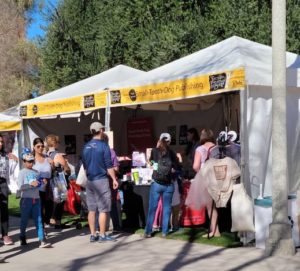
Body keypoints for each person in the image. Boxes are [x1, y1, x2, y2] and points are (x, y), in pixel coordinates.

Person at [82, 122, 118, 242]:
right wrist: (113, 179)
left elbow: (85, 166)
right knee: (104, 209)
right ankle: (102, 235)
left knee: (91, 209)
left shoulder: (85, 147)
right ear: (101, 130)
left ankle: (93, 235)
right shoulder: (104, 146)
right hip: (101, 180)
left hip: (90, 181)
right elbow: (109, 165)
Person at [144, 132, 179, 238]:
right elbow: (177, 167)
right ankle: (165, 232)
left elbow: (151, 163)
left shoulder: (154, 151)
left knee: (152, 208)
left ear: (159, 140)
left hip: (156, 183)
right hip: (168, 184)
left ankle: (148, 232)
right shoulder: (172, 153)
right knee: (167, 208)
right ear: (169, 141)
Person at [18, 148, 51, 248]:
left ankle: (42, 239)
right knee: (24, 220)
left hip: (36, 199)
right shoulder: (22, 172)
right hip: (26, 200)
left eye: (32, 161)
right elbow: (21, 187)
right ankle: (22, 236)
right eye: (28, 162)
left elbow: (39, 185)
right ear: (24, 162)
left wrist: (42, 182)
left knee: (39, 220)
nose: (31, 163)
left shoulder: (37, 172)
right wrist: (30, 184)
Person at [191, 128, 220, 238]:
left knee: (210, 206)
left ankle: (215, 231)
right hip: (218, 178)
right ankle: (216, 230)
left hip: (206, 178)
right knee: (214, 205)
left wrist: (201, 173)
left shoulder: (200, 149)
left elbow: (195, 166)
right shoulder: (217, 147)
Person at [45, 134, 70, 229]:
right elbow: (66, 168)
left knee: (53, 200)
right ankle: (56, 221)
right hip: (58, 180)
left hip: (50, 180)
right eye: (58, 142)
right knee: (60, 199)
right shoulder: (57, 155)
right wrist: (66, 163)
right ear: (55, 143)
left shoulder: (46, 154)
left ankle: (52, 220)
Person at [100, 133, 122, 232]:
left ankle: (100, 228)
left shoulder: (96, 152)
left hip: (100, 180)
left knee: (101, 204)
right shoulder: (111, 152)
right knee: (113, 203)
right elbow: (116, 168)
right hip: (109, 180)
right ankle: (116, 226)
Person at [0, 133, 18, 246]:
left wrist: (15, 160)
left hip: (2, 185)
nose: (0, 144)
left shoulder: (6, 156)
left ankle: (5, 235)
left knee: (4, 211)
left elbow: (11, 172)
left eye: (1, 142)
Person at [32, 137, 53, 229]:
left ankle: (45, 222)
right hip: (37, 188)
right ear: (34, 147)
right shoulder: (32, 160)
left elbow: (52, 172)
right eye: (38, 146)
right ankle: (42, 229)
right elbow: (29, 173)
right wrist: (40, 179)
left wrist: (52, 164)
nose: (40, 148)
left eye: (42, 146)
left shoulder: (47, 158)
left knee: (49, 208)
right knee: (39, 209)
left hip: (48, 187)